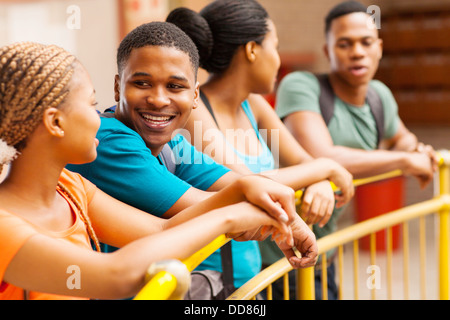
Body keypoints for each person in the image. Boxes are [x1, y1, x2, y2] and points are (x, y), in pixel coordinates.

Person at [0, 41, 317, 300]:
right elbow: (116, 275)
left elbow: (161, 231)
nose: (99, 117)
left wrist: (244, 191)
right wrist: (233, 216)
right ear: (56, 122)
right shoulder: (4, 226)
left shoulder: (72, 187)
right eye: (91, 105)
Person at [166, 0, 354, 299]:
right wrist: (327, 169)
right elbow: (244, 182)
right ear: (252, 50)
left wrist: (317, 179)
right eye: (275, 47)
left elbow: (302, 160)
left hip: (254, 277)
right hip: (212, 284)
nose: (278, 60)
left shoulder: (253, 104)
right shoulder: (195, 108)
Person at [275, 1, 439, 298]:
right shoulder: (301, 85)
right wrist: (405, 160)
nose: (357, 52)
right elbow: (325, 157)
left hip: (323, 248)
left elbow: (402, 137)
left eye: (366, 42)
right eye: (344, 44)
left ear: (379, 47)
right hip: (274, 256)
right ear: (327, 51)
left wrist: (415, 149)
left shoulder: (380, 96)